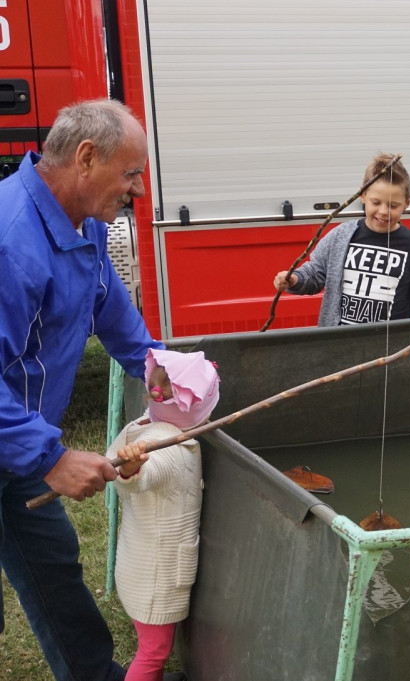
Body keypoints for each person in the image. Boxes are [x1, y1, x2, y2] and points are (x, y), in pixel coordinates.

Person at [0, 99, 167, 681]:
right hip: (22, 443)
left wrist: (160, 368)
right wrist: (51, 457)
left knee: (53, 568)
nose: (139, 190)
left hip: (14, 448)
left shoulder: (84, 228)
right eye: (131, 173)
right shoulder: (11, 241)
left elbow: (111, 310)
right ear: (86, 158)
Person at [110, 349, 220, 681]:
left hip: (137, 565)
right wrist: (132, 470)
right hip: (157, 578)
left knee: (153, 648)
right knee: (154, 651)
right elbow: (148, 473)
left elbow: (116, 462)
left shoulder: (142, 426)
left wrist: (125, 465)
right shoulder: (166, 448)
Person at [273, 153, 410, 330]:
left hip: (395, 350)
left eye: (393, 205)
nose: (383, 211)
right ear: (363, 196)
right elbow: (315, 273)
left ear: (406, 204)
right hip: (340, 346)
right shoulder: (340, 237)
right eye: (376, 203)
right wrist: (294, 280)